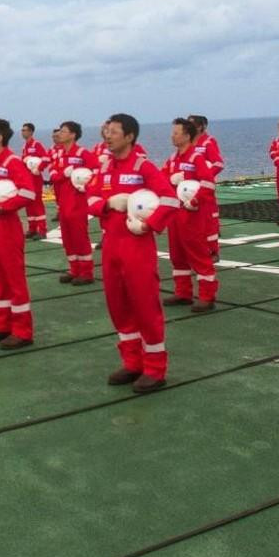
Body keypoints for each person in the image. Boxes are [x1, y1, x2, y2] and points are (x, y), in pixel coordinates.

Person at [87, 114, 178, 392]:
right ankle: (132, 362)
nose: (107, 135)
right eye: (106, 130)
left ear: (129, 136)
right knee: (118, 305)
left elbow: (170, 199)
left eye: (114, 131)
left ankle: (154, 368)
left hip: (137, 246)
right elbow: (90, 199)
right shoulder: (103, 167)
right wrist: (106, 204)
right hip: (111, 245)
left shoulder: (144, 167)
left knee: (145, 306)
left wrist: (148, 225)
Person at [0, 118, 42, 348]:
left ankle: (22, 331)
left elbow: (28, 193)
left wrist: (3, 206)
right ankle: (3, 325)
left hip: (6, 226)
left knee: (14, 278)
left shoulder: (13, 161)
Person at [164, 117, 222, 311]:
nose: (172, 136)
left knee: (198, 255)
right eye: (173, 132)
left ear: (187, 135)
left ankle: (207, 296)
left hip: (193, 214)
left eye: (176, 133)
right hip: (175, 214)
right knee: (177, 255)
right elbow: (162, 178)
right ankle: (183, 292)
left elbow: (208, 183)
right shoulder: (173, 159)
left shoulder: (196, 158)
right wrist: (169, 179)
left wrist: (194, 200)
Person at [49, 122, 98, 284]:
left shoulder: (83, 154)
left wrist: (86, 186)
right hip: (63, 202)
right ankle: (74, 269)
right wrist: (64, 173)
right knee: (67, 237)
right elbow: (53, 175)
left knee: (79, 237)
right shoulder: (59, 154)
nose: (60, 134)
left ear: (73, 135)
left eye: (63, 131)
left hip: (78, 202)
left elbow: (96, 172)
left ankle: (86, 272)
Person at [191, 113, 224, 260]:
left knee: (209, 219)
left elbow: (218, 163)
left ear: (200, 127)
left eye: (191, 124)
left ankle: (213, 251)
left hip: (204, 187)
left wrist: (205, 176)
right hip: (189, 189)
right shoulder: (189, 143)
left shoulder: (208, 142)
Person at [19, 122, 51, 240]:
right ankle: (32, 229)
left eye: (25, 130)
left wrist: (39, 168)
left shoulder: (37, 144)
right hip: (27, 179)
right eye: (22, 130)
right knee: (29, 203)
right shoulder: (25, 147)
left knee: (37, 203)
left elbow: (46, 158)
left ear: (31, 132)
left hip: (35, 178)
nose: (23, 132)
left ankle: (42, 230)